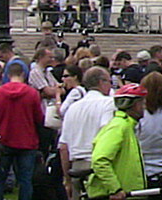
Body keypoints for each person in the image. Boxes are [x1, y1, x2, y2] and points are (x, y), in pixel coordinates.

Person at [59, 67, 116, 197]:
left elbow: (63, 147)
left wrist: (67, 179)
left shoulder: (73, 108)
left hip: (76, 166)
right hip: (98, 166)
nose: (111, 86)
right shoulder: (108, 104)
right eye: (109, 81)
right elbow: (107, 135)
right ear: (101, 82)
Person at [0, 59, 44, 200]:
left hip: (4, 138)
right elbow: (38, 118)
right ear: (23, 74)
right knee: (25, 180)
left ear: (8, 75)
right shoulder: (32, 94)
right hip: (27, 140)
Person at [88, 84, 149, 200]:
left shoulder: (127, 126)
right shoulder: (119, 127)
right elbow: (100, 160)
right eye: (142, 103)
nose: (144, 107)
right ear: (133, 104)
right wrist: (115, 189)